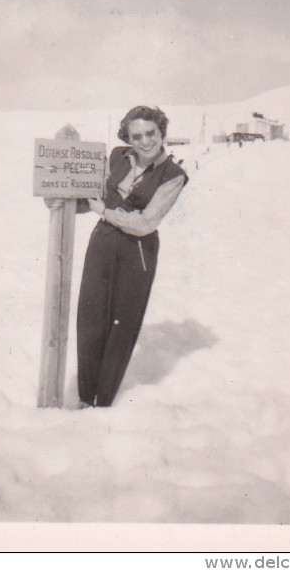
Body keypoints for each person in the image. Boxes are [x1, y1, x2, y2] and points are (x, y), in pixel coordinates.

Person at [76, 105, 188, 408]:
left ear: (162, 133)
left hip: (137, 250)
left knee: (122, 324)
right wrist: (64, 202)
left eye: (151, 133)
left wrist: (104, 211)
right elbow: (91, 196)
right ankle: (85, 398)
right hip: (103, 241)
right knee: (90, 317)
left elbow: (145, 222)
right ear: (128, 137)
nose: (145, 141)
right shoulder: (116, 157)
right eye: (136, 135)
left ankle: (104, 402)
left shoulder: (173, 175)